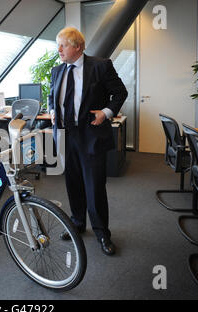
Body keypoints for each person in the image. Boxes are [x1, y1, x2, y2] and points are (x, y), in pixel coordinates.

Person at [48, 27, 128, 256]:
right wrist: (52, 109)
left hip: (90, 135)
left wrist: (105, 112)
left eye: (63, 45)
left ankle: (103, 232)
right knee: (73, 182)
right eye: (58, 45)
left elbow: (120, 93)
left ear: (78, 47)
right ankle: (78, 223)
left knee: (94, 186)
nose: (59, 50)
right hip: (65, 134)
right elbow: (52, 95)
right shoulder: (56, 71)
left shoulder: (100, 66)